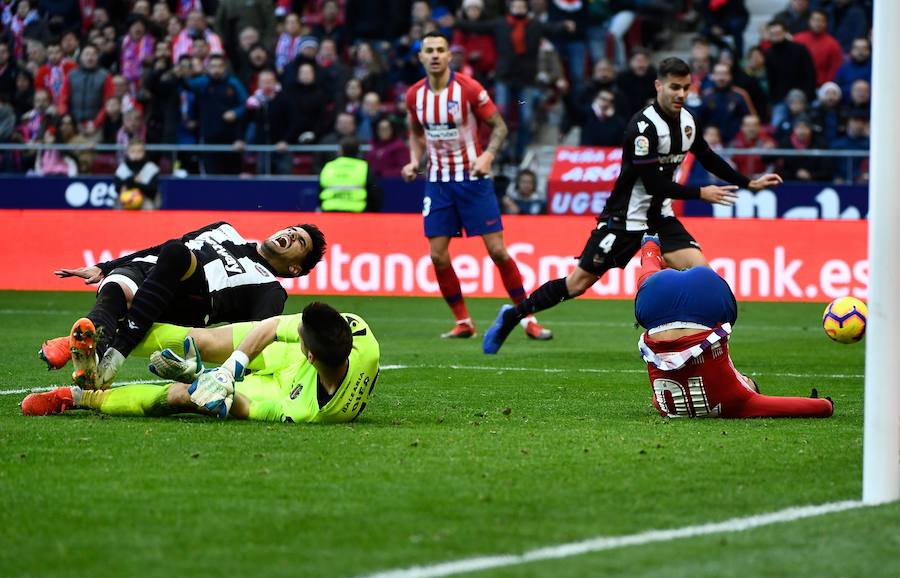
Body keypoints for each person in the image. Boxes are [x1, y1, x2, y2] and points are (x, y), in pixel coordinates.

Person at [482, 57, 782, 354]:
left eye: (686, 88)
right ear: (658, 85)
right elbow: (653, 184)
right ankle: (512, 315)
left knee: (703, 277)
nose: (680, 94)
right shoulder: (642, 127)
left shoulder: (688, 121)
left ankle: (693, 350)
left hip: (661, 218)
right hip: (624, 219)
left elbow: (707, 155)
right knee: (577, 284)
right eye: (674, 87)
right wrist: (701, 193)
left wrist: (748, 181)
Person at [38, 221, 326, 389]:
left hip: (193, 298)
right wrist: (105, 266)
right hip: (155, 269)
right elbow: (165, 247)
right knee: (116, 285)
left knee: (176, 255)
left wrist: (218, 376)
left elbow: (255, 340)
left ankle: (113, 355)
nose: (289, 234)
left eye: (300, 241)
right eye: (292, 229)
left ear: (295, 269)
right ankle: (94, 358)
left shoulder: (270, 288)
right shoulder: (225, 229)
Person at [402, 31, 551, 341]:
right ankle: (464, 322)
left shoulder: (468, 89)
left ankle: (528, 319)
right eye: (428, 50)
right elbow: (415, 133)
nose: (434, 55)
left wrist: (488, 156)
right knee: (438, 256)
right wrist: (415, 160)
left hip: (474, 179)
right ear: (420, 57)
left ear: (448, 55)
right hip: (439, 182)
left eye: (440, 50)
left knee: (497, 251)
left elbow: (499, 126)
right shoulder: (415, 95)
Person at [23, 302, 380, 424]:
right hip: (288, 359)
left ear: (311, 354)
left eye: (300, 336)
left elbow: (246, 407)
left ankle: (76, 397)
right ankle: (92, 341)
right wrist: (231, 366)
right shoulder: (356, 330)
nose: (295, 331)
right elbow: (272, 327)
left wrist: (205, 381)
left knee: (180, 397)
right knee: (200, 339)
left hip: (280, 388)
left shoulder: (309, 411)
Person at [633, 234, 833, 419]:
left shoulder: (740, 402)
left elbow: (789, 406)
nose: (745, 379)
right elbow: (663, 398)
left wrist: (824, 405)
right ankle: (650, 247)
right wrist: (822, 405)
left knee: (724, 320)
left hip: (702, 294)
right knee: (647, 280)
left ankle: (650, 246)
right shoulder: (665, 404)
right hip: (659, 305)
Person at [319, 136, 382, 213]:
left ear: (341, 151)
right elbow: (374, 193)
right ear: (358, 151)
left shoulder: (329, 166)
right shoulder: (364, 167)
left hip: (329, 211)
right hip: (357, 213)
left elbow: (320, 190)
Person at [114, 140, 160, 209]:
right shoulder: (122, 169)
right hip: (126, 198)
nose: (136, 154)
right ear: (127, 153)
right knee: (117, 207)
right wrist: (132, 180)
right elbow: (118, 188)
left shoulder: (151, 168)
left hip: (145, 198)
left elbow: (153, 190)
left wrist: (137, 184)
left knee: (149, 208)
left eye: (139, 151)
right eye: (133, 151)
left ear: (144, 153)